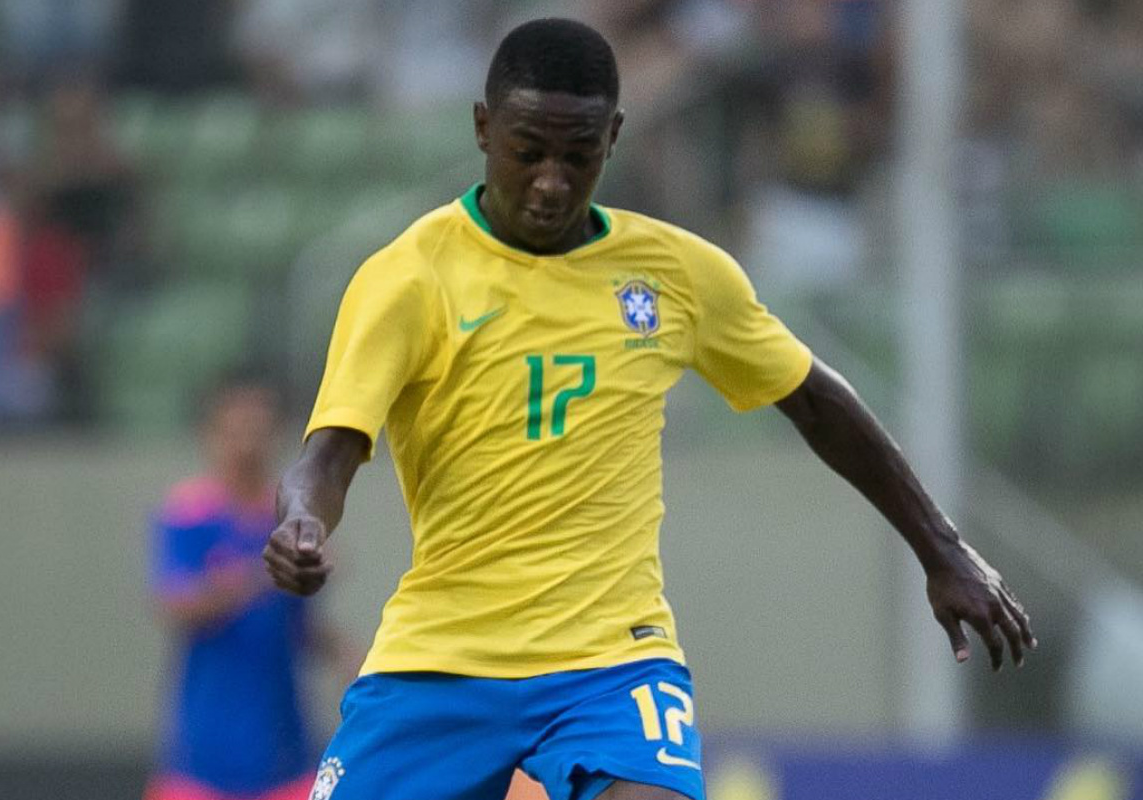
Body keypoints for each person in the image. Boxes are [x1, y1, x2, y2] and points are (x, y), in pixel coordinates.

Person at [263, 18, 1037, 800]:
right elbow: (327, 456)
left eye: (579, 154)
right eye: (529, 151)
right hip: (442, 658)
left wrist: (944, 550)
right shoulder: (407, 278)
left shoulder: (675, 275)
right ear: (482, 127)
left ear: (616, 137)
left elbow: (817, 402)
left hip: (613, 661)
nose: (552, 182)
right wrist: (301, 519)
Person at [148, 375, 328, 800]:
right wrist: (263, 573)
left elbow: (299, 625)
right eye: (235, 429)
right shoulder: (189, 513)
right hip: (204, 755)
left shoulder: (290, 518)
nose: (248, 442)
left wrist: (348, 654)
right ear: (211, 434)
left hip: (285, 746)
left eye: (259, 429)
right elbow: (177, 603)